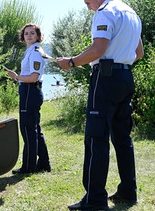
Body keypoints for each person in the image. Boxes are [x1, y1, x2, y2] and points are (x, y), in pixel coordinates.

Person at [56, 0, 144, 210]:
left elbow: (98, 49)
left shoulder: (105, 13)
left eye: (87, 1)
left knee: (96, 138)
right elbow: (138, 53)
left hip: (106, 80)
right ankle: (128, 191)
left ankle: (95, 199)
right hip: (125, 77)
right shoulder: (131, 13)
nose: (87, 6)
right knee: (122, 137)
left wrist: (71, 62)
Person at [6, 23, 51, 174]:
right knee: (35, 129)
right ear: (23, 37)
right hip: (28, 91)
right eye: (26, 33)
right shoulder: (30, 51)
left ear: (38, 36)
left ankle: (28, 166)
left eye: (32, 33)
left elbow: (33, 77)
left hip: (30, 91)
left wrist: (16, 77)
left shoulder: (36, 52)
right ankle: (44, 163)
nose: (29, 36)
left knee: (27, 130)